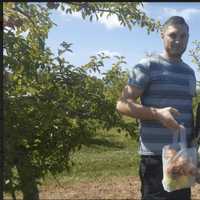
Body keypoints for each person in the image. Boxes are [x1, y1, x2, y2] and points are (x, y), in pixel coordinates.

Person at [116, 16, 196, 200]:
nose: (178, 40)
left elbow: (187, 112)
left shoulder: (189, 72)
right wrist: (157, 114)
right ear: (162, 35)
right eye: (173, 35)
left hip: (183, 156)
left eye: (183, 36)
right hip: (155, 158)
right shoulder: (147, 66)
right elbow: (122, 103)